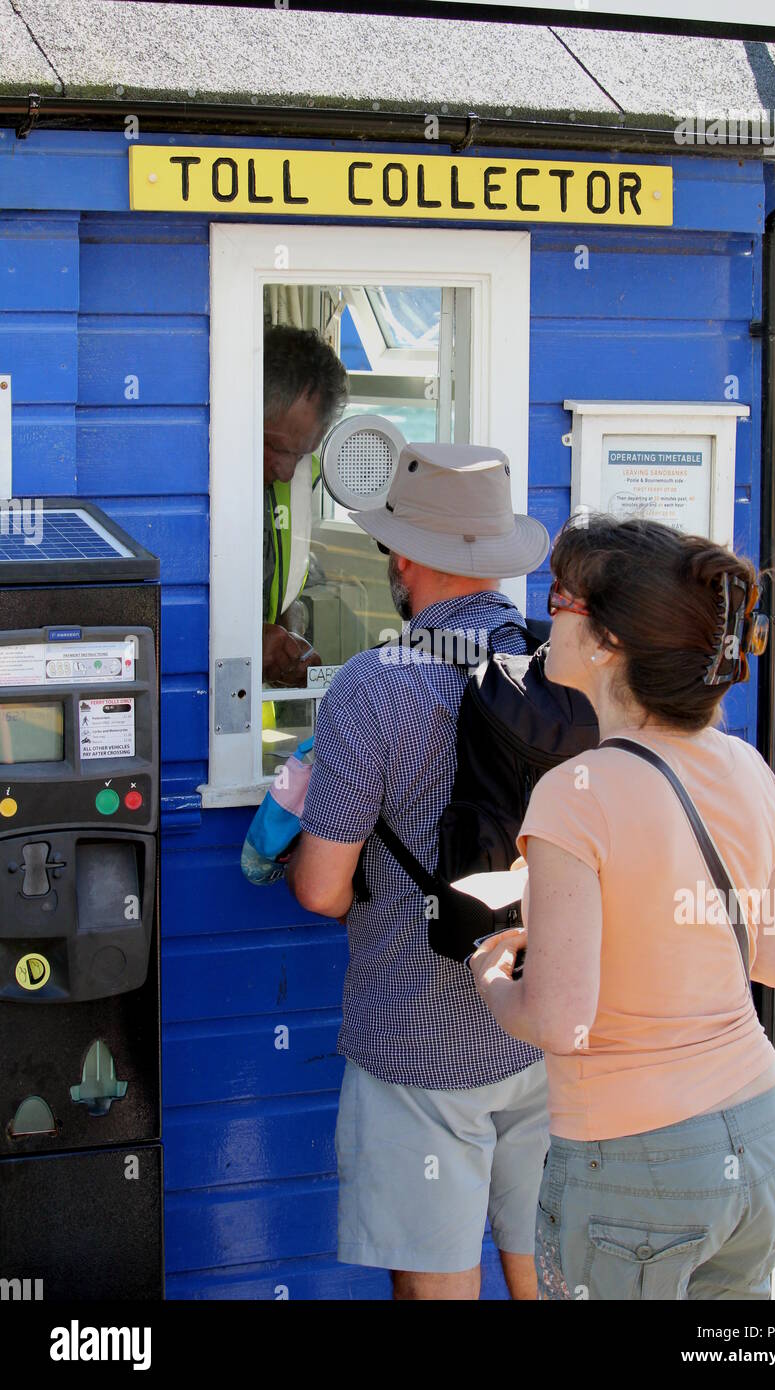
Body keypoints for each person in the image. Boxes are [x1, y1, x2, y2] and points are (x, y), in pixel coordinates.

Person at [471, 512, 775, 1301]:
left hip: (634, 1162)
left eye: (561, 596)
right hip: (755, 1136)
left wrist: (492, 977)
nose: (545, 613)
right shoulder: (748, 767)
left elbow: (559, 1021)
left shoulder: (574, 795)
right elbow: (774, 960)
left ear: (610, 641)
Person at [286, 442, 552, 1300]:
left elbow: (321, 889)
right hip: (546, 1022)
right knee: (548, 1275)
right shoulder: (562, 672)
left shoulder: (373, 686)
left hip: (418, 1045)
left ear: (403, 555)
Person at [261, 325, 349, 686]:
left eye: (300, 455)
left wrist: (289, 640)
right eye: (275, 448)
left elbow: (283, 593)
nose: (285, 471)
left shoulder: (302, 473)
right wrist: (245, 642)